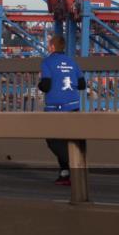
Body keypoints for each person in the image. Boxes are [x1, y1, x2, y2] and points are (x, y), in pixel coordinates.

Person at [38, 34, 85, 186]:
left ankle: (73, 164)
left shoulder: (47, 62)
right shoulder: (72, 62)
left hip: (55, 108)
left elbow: (45, 85)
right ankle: (65, 174)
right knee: (69, 139)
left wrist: (39, 86)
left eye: (48, 45)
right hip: (73, 106)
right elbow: (82, 84)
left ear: (52, 47)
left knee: (52, 140)